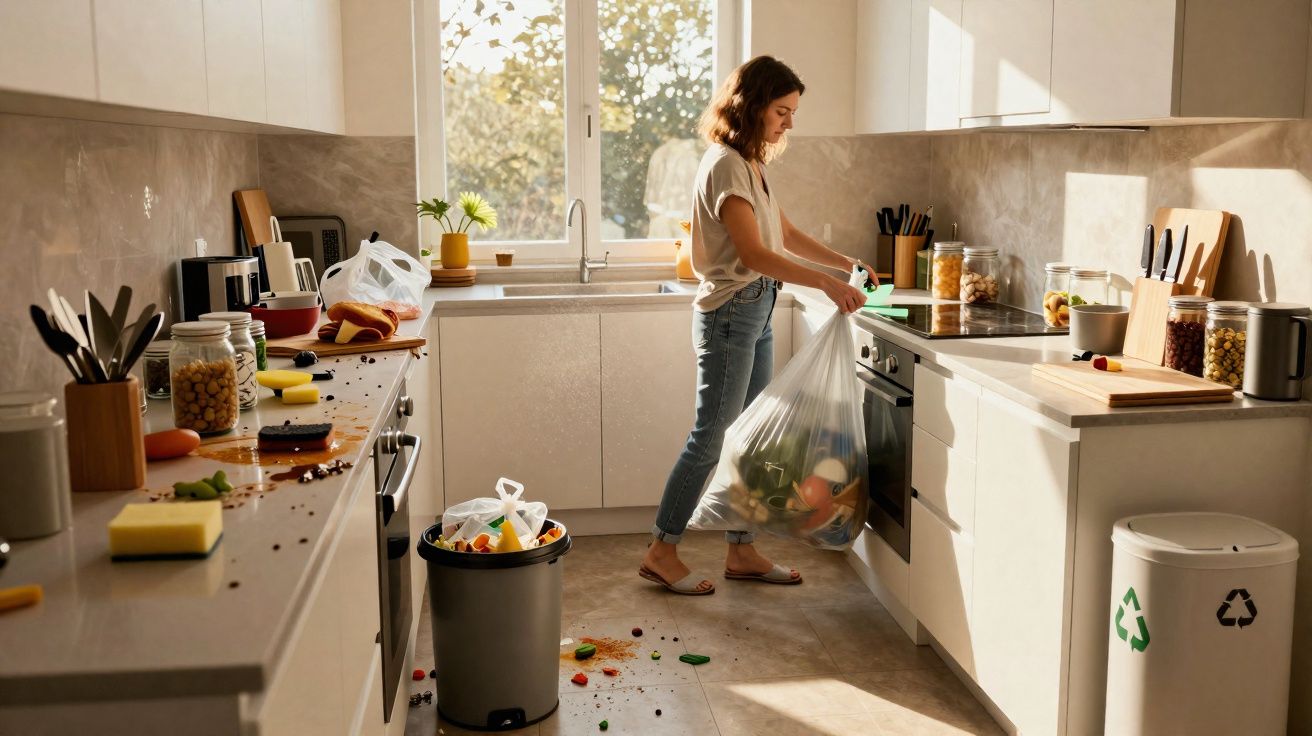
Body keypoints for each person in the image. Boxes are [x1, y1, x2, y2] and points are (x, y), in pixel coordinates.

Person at [639, 55, 871, 595]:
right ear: (752, 108)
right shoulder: (723, 164)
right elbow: (755, 253)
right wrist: (827, 284)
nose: (789, 123)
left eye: (792, 112)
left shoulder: (750, 163)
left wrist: (844, 262)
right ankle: (661, 548)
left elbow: (782, 233)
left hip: (756, 311)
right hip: (732, 315)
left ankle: (741, 552)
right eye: (782, 112)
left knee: (749, 438)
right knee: (711, 438)